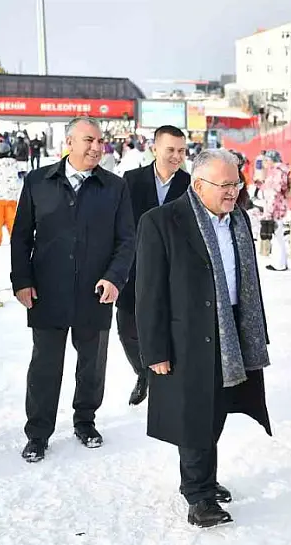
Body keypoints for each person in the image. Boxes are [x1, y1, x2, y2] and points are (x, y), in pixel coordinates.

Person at [135, 149, 272, 528]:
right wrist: (155, 350)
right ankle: (198, 496)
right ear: (198, 185)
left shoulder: (239, 220)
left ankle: (203, 479)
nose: (233, 192)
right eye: (225, 185)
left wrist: (255, 331)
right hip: (187, 336)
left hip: (232, 332)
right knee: (195, 416)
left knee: (216, 411)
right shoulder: (162, 222)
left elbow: (247, 282)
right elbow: (148, 294)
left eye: (236, 183)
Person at [10, 117, 136, 463]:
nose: (97, 147)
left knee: (92, 365)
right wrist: (21, 280)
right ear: (69, 142)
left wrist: (114, 278)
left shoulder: (114, 187)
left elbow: (127, 239)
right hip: (47, 291)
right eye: (89, 140)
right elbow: (21, 236)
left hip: (95, 291)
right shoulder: (39, 181)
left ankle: (85, 421)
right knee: (45, 366)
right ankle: (37, 433)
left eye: (100, 141)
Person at [118, 125, 190, 406]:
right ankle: (143, 371)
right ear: (155, 148)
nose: (176, 156)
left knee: (168, 325)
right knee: (127, 329)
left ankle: (166, 378)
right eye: (170, 149)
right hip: (133, 266)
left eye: (181, 151)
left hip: (174, 270)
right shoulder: (131, 180)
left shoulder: (190, 184)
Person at [256, 150, 291, 272]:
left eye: (266, 160)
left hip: (275, 210)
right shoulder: (280, 171)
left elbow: (273, 194)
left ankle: (279, 264)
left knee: (277, 238)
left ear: (272, 160)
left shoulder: (276, 172)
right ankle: (281, 262)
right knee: (278, 237)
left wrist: (268, 213)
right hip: (278, 208)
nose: (265, 163)